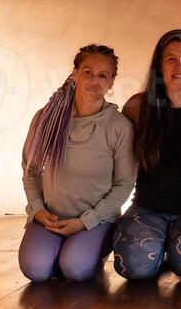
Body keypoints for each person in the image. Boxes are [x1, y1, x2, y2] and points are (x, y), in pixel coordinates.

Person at [112, 29, 181, 279]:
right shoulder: (137, 108)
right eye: (171, 59)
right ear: (159, 66)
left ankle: (171, 247)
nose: (179, 65)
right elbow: (112, 150)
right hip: (146, 208)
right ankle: (158, 247)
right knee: (132, 268)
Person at [18, 44, 136, 282]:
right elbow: (31, 171)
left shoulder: (119, 127)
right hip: (50, 218)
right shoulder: (46, 118)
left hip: (95, 221)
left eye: (103, 76)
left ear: (112, 82)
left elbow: (124, 185)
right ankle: (59, 252)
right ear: (75, 74)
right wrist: (38, 211)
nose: (94, 81)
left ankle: (84, 252)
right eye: (88, 72)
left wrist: (85, 222)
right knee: (35, 270)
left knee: (74, 268)